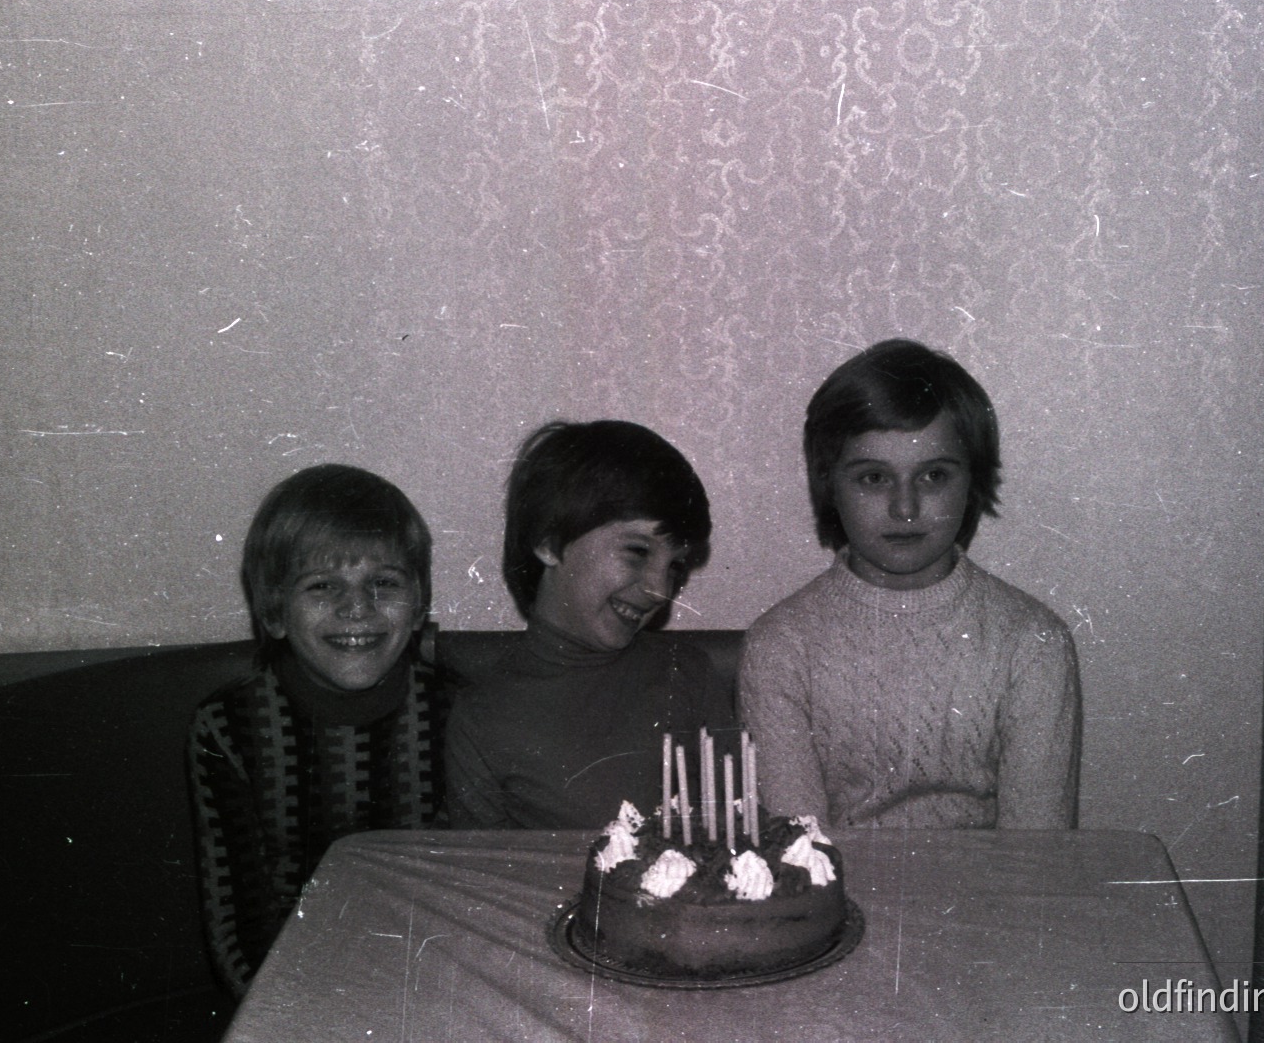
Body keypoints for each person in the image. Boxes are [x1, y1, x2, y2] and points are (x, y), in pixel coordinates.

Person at [740, 339, 1080, 830]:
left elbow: (1039, 853)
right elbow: (799, 858)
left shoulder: (1031, 642)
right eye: (874, 478)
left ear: (972, 483)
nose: (905, 508)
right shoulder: (780, 647)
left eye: (934, 476)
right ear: (829, 485)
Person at [187, 465, 448, 996]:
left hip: (430, 985)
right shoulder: (229, 729)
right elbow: (237, 928)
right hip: (292, 994)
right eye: (324, 585)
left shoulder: (456, 711)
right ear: (275, 612)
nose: (357, 608)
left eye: (384, 582)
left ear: (418, 605)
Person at [445, 419, 734, 829]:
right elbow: (479, 875)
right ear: (548, 541)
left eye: (675, 566)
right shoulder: (483, 714)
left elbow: (737, 842)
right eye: (637, 550)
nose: (658, 587)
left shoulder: (687, 675)